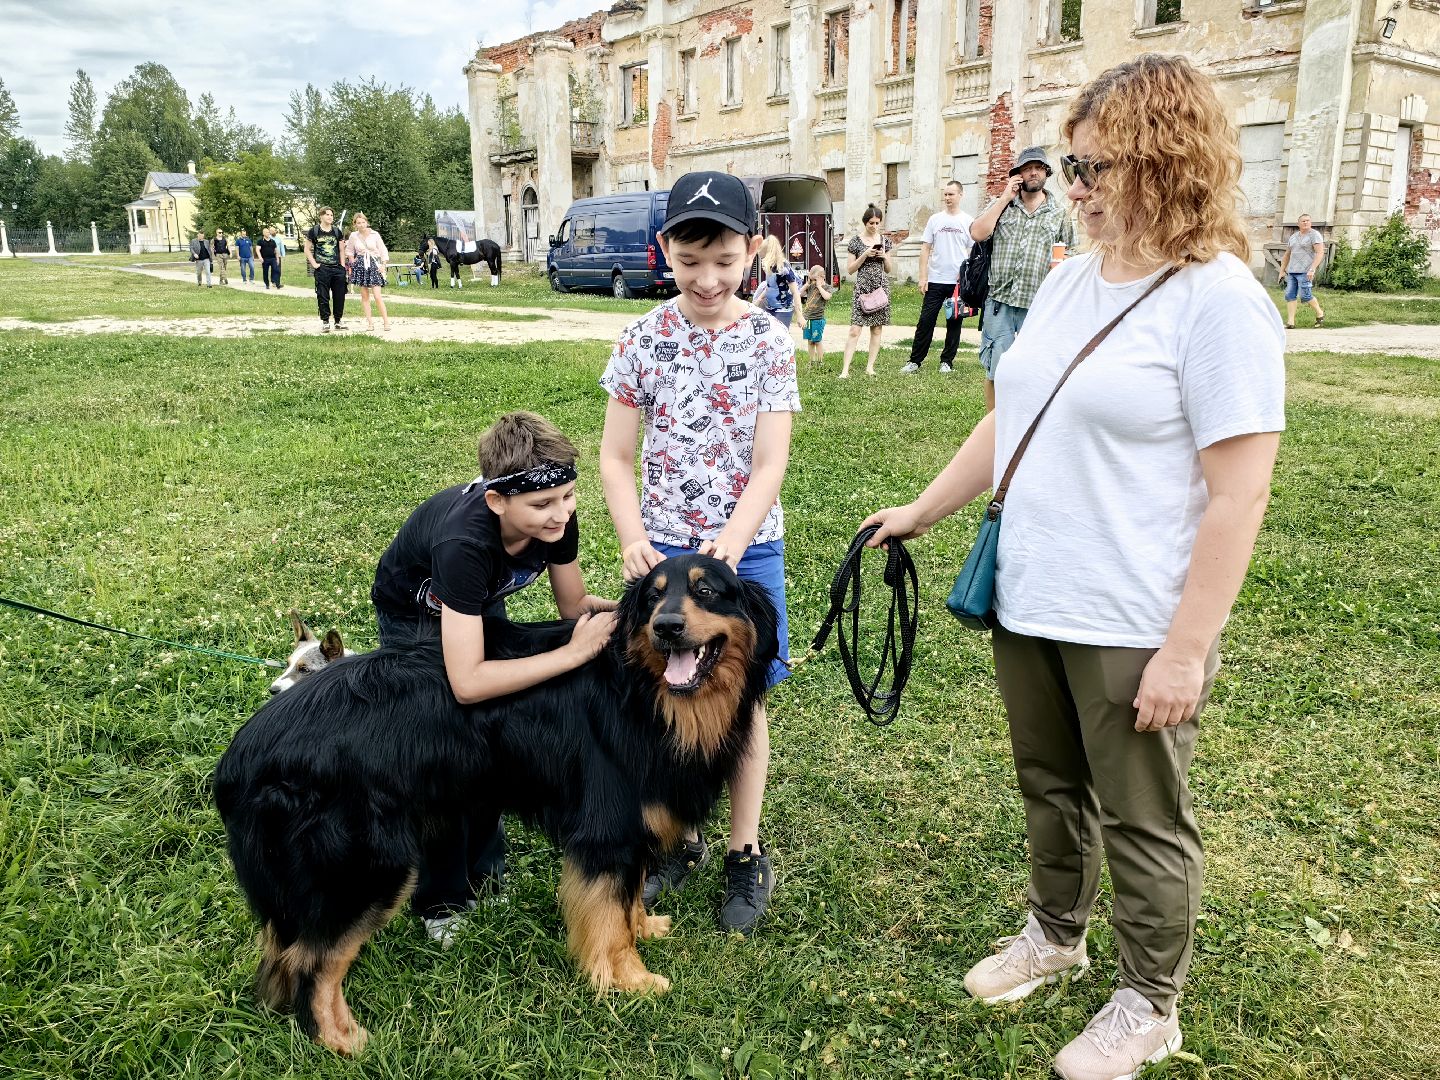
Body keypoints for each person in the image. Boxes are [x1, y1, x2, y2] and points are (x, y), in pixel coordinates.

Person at [860, 54, 1284, 1080]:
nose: (1077, 190)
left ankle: (1150, 1003)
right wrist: (922, 510)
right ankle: (1055, 934)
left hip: (1133, 612)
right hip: (1032, 590)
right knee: (1049, 784)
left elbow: (1239, 494)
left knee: (1143, 816)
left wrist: (1187, 651)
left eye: (1096, 170)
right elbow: (1009, 415)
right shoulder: (1066, 280)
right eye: (1073, 169)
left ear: (1163, 163)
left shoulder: (1218, 303)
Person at [598, 169, 799, 936]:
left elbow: (771, 461)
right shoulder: (643, 337)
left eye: (723, 261)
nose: (707, 279)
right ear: (665, 253)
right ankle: (674, 832)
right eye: (689, 263)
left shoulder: (768, 339)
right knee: (662, 700)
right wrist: (632, 537)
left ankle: (745, 850)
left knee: (742, 703)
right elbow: (617, 457)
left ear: (752, 249)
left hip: (745, 551)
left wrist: (735, 541)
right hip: (665, 549)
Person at [370, 411, 618, 944]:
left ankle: (486, 870)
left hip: (477, 607)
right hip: (416, 619)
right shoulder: (464, 545)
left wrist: (639, 611)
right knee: (447, 750)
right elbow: (468, 681)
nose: (561, 514)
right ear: (497, 501)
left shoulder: (555, 516)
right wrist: (573, 656)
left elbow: (573, 607)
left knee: (491, 739)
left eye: (570, 496)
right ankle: (440, 898)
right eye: (543, 505)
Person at [970, 146, 1076, 411]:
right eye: (1027, 168)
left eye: (1038, 168)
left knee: (1035, 368)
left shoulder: (1058, 212)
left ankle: (1027, 419)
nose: (1033, 172)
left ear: (1046, 173)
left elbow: (1069, 253)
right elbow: (977, 233)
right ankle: (992, 425)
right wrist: (1005, 196)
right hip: (1000, 301)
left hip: (1037, 304)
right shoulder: (1002, 206)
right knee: (996, 369)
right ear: (1017, 174)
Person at [903, 180, 975, 374]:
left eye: (951, 194)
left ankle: (947, 362)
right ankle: (915, 361)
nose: (947, 198)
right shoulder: (935, 219)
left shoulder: (968, 221)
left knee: (954, 322)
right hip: (935, 279)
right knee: (926, 320)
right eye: (945, 194)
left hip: (957, 283)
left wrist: (967, 276)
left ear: (961, 195)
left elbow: (971, 251)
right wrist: (922, 277)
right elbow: (925, 249)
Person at [839, 205, 893, 379]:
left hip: (879, 288)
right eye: (871, 223)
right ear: (865, 222)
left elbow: (889, 269)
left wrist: (884, 256)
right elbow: (850, 269)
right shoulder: (855, 241)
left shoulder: (885, 241)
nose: (874, 226)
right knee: (855, 329)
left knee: (877, 329)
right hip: (862, 288)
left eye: (877, 223)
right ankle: (845, 370)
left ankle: (870, 367)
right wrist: (865, 255)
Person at [345, 212, 391, 332]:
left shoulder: (375, 234)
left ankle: (386, 322)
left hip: (374, 264)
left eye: (363, 222)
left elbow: (382, 250)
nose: (361, 225)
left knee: (377, 296)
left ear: (366, 222)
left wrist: (383, 264)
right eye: (358, 223)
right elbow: (349, 250)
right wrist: (353, 261)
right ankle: (370, 323)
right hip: (361, 265)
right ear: (355, 224)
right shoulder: (354, 236)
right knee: (364, 296)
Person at [304, 207, 348, 333]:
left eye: (332, 215)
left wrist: (343, 266)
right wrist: (314, 264)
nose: (330, 217)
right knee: (323, 296)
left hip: (337, 268)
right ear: (321, 216)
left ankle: (338, 321)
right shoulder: (314, 231)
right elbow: (307, 249)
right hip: (322, 268)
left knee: (339, 296)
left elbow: (341, 249)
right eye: (327, 214)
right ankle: (325, 321)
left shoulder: (336, 231)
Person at [1280, 213, 1325, 329]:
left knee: (1305, 295)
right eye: (1303, 221)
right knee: (1290, 295)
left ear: (1311, 222)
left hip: (1306, 271)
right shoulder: (1293, 237)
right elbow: (1287, 254)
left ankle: (1320, 313)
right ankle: (1291, 322)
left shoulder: (1315, 235)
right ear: (1298, 223)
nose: (1306, 222)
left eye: (1308, 220)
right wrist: (1282, 271)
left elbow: (1320, 253)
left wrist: (1312, 269)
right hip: (1292, 271)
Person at [756, 234, 801, 329]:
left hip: (783, 310)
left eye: (762, 255)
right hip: (770, 308)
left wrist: (799, 315)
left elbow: (795, 292)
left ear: (768, 252)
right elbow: (770, 286)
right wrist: (759, 299)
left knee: (780, 337)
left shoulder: (783, 266)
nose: (761, 259)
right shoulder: (770, 266)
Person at [799, 264, 833, 368]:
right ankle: (811, 362)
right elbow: (799, 294)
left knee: (817, 341)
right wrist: (807, 284)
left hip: (817, 319)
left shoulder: (827, 287)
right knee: (810, 341)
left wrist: (819, 286)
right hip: (807, 319)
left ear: (821, 277)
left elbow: (827, 297)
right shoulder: (811, 286)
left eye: (815, 279)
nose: (813, 281)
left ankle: (820, 362)